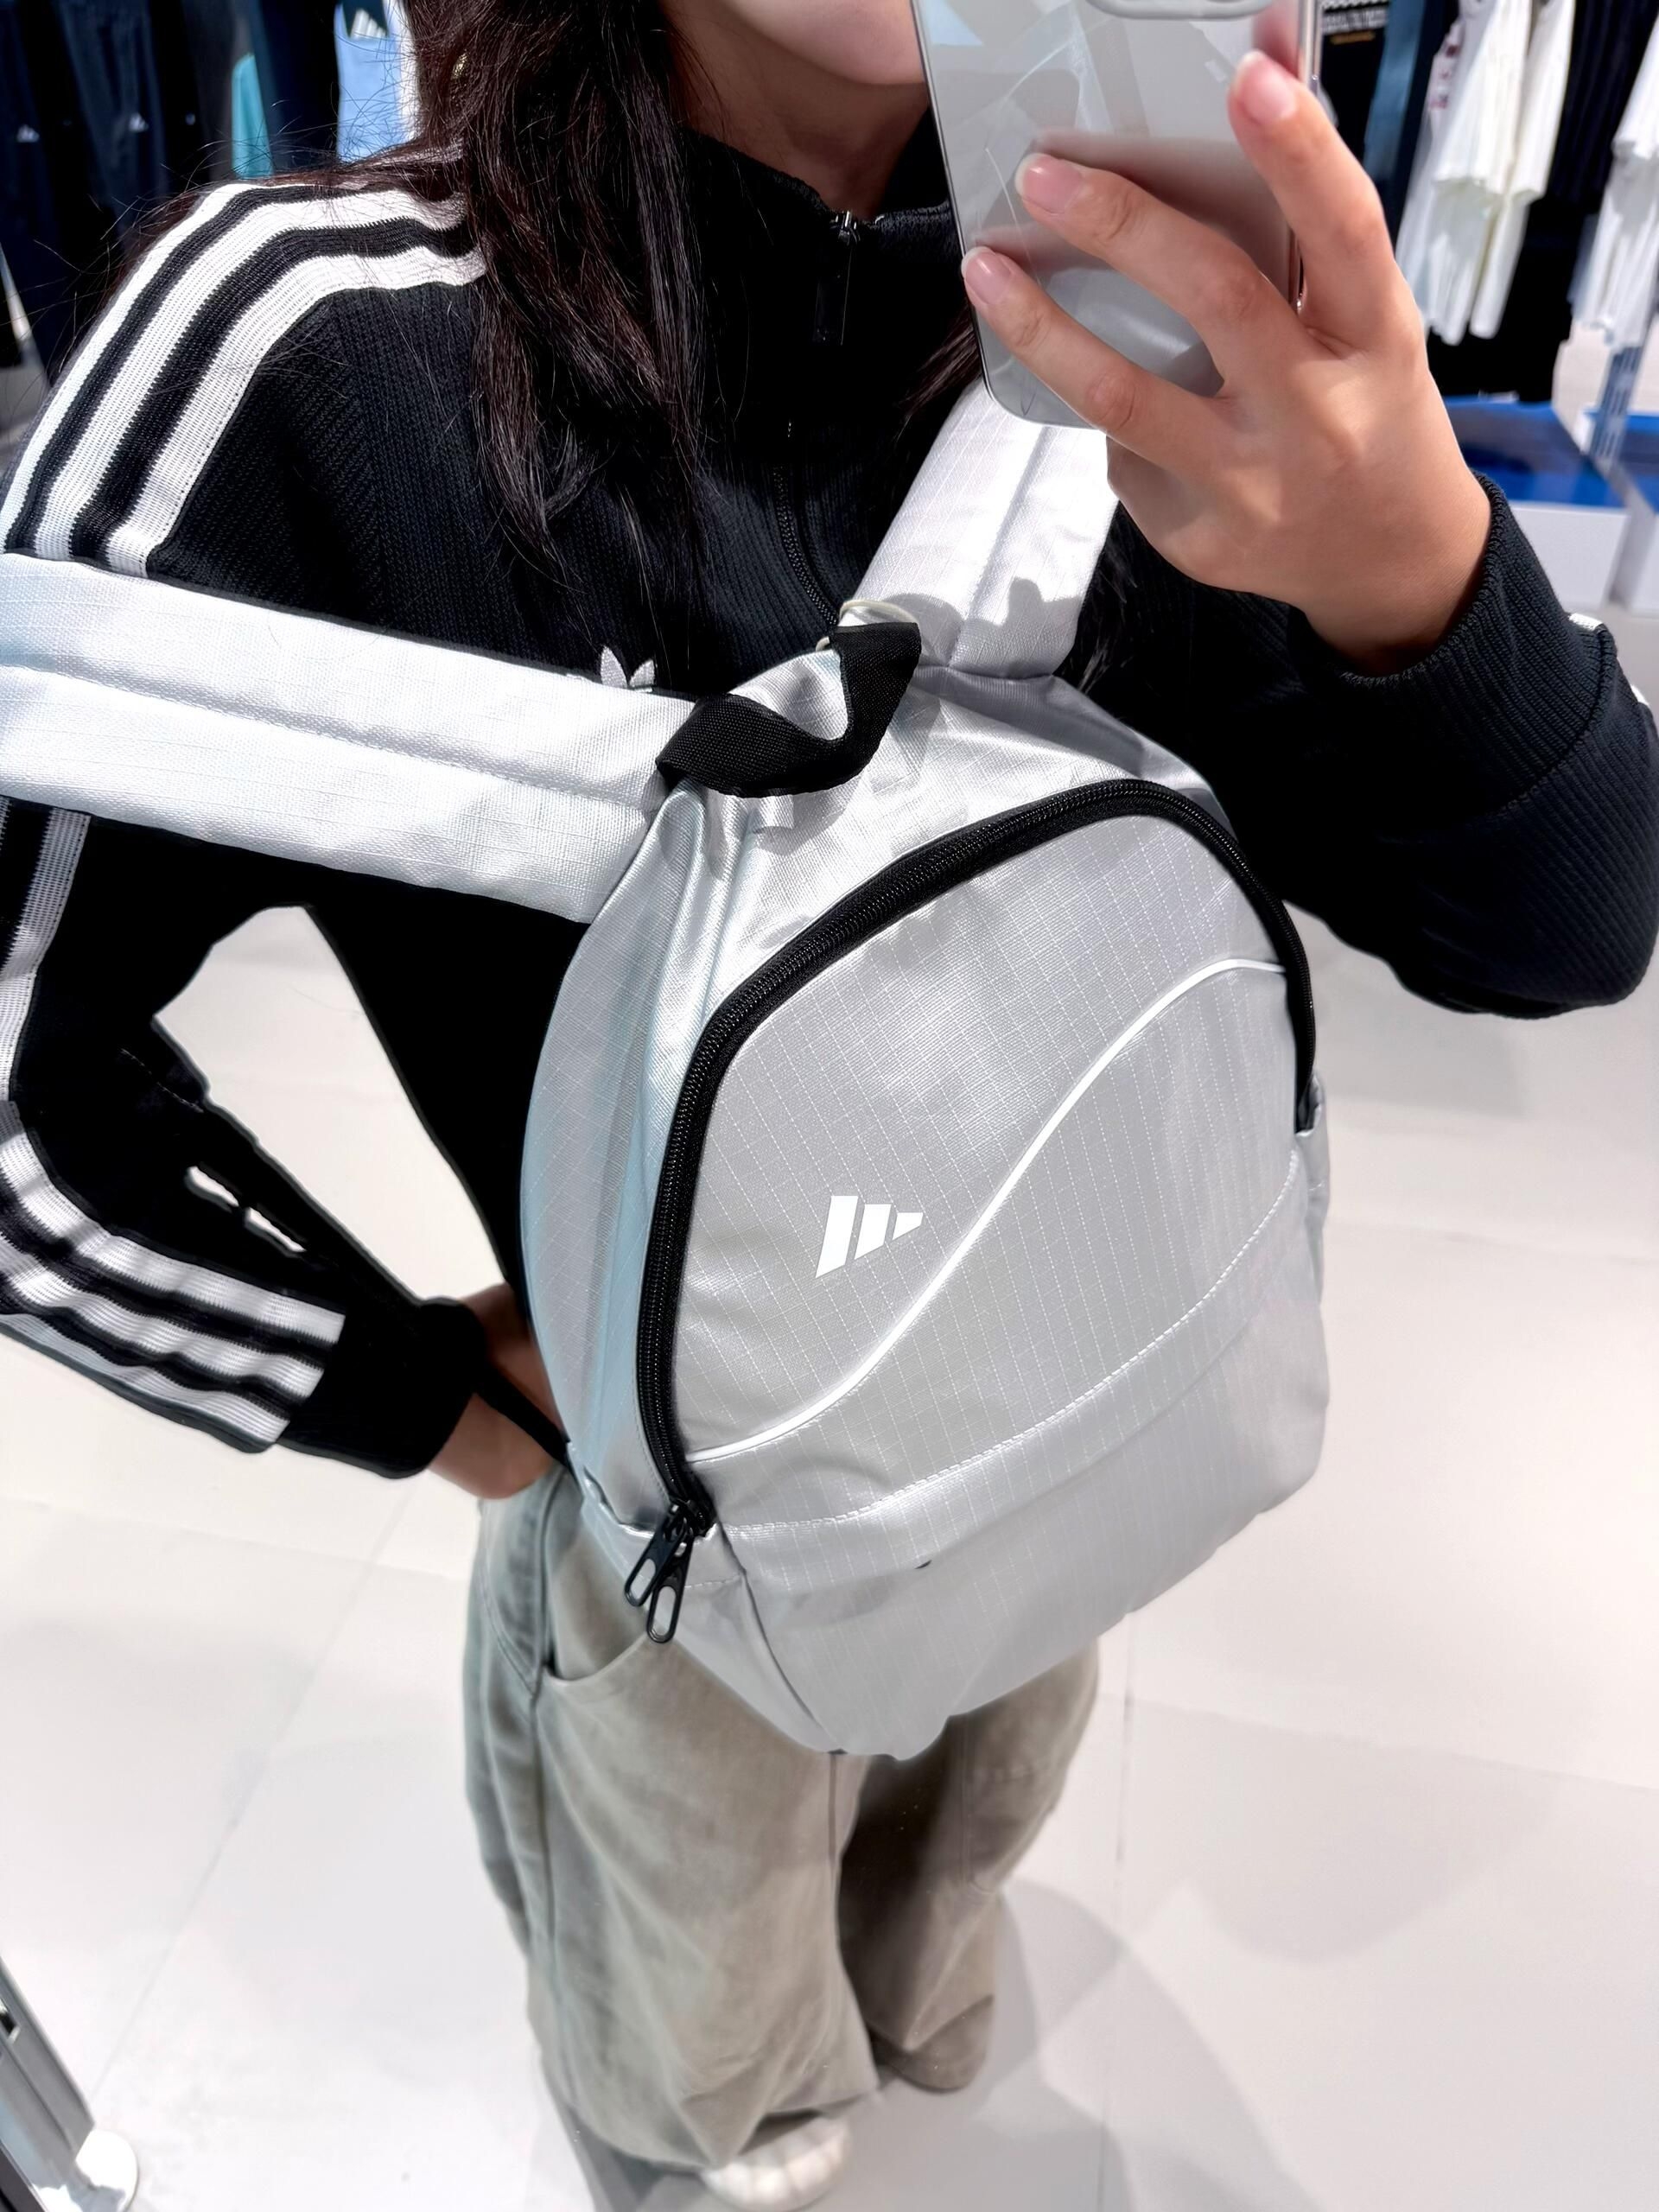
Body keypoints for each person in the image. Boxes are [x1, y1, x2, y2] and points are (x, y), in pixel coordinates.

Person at [0, 2, 1654, 2204]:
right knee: (700, 2011)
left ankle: (919, 1990)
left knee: (966, 1836)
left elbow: (1564, 928)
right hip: (685, 1525)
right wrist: (417, 1393)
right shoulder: (305, 350)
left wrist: (1415, 572)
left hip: (1080, 1411)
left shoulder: (1165, 308)